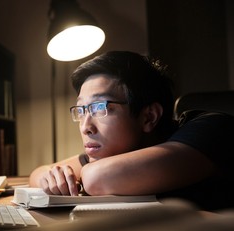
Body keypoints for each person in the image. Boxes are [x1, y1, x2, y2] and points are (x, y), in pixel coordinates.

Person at [29, 51, 234, 211]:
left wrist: (80, 175)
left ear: (149, 117)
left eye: (100, 108)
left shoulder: (211, 129)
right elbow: (38, 173)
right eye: (82, 110)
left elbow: (95, 179)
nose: (85, 127)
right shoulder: (111, 153)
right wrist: (52, 178)